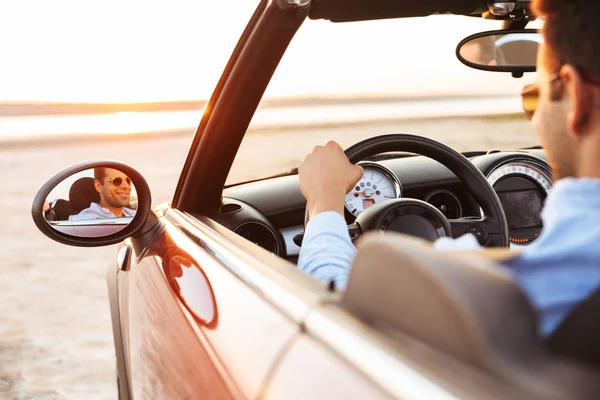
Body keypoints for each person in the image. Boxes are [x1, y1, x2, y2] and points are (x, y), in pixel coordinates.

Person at [297, 0, 600, 337]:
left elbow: (336, 314)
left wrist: (324, 203)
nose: (536, 117)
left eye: (535, 95)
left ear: (577, 97)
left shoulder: (496, 293)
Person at [69, 168, 136, 221]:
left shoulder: (137, 215)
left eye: (128, 180)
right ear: (98, 186)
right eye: (116, 181)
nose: (126, 186)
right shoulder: (81, 221)